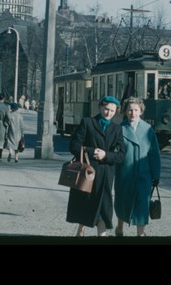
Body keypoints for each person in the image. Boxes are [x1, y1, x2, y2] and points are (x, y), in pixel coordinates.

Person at [66, 96, 125, 237]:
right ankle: (81, 229)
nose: (108, 113)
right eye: (106, 109)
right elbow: (74, 146)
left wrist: (106, 155)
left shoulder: (117, 129)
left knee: (104, 206)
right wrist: (92, 152)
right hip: (87, 172)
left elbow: (121, 155)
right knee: (85, 202)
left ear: (116, 111)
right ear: (100, 107)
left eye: (112, 110)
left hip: (106, 175)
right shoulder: (88, 122)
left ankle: (101, 235)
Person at [114, 97, 161, 237]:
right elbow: (114, 151)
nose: (132, 113)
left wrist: (156, 175)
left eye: (135, 110)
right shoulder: (119, 129)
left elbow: (154, 153)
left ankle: (140, 234)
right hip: (124, 173)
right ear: (125, 111)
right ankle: (120, 227)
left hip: (143, 174)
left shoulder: (148, 130)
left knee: (142, 204)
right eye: (129, 110)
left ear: (141, 111)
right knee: (123, 202)